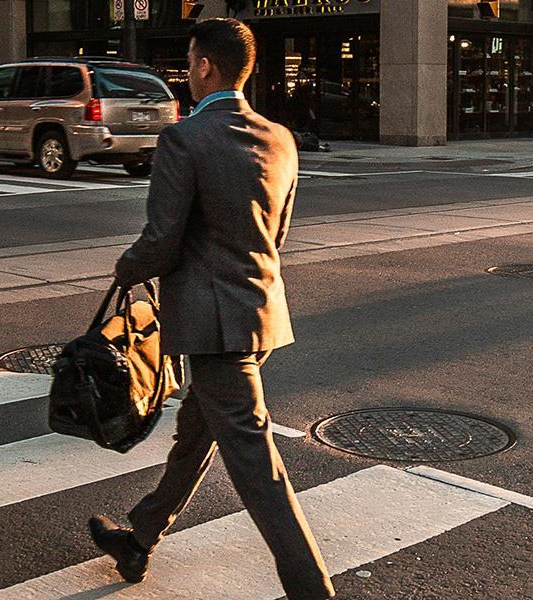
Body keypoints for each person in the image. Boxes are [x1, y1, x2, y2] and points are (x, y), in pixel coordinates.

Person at [89, 17, 334, 600]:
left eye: (190, 61)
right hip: (260, 312)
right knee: (198, 431)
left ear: (205, 67)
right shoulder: (280, 138)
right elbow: (277, 233)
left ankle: (312, 588)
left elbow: (163, 238)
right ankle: (139, 537)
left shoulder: (184, 138)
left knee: (255, 461)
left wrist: (129, 267)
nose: (187, 71)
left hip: (212, 322)